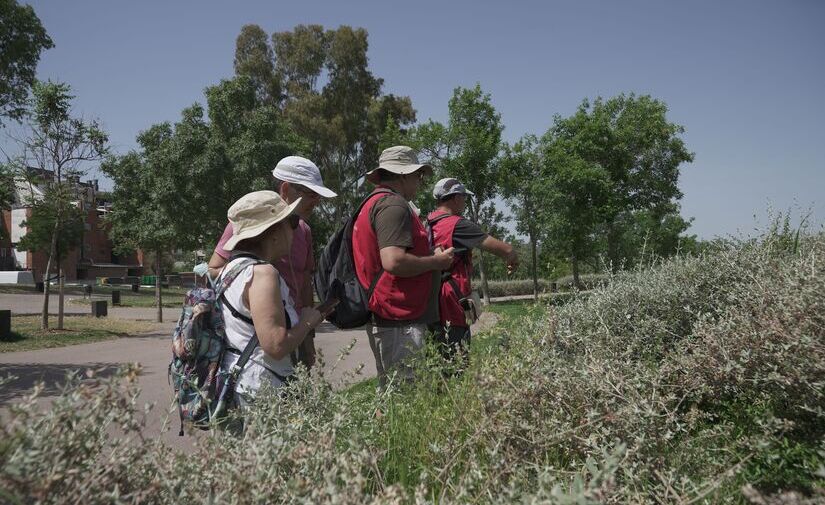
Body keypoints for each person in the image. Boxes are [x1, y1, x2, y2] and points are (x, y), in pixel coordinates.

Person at [208, 156, 336, 369]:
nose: (317, 202)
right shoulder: (247, 224)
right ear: (286, 189)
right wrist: (262, 285)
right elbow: (214, 269)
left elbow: (304, 281)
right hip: (259, 341)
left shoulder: (304, 230)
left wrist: (308, 338)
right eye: (311, 194)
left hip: (296, 332)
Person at [352, 145, 455, 387]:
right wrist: (436, 262)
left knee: (391, 391)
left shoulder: (377, 202)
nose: (419, 182)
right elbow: (393, 260)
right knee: (403, 393)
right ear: (402, 175)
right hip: (397, 318)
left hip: (392, 315)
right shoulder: (393, 205)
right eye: (417, 176)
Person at [217, 191, 327, 408]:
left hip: (235, 384)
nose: (295, 230)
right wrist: (308, 321)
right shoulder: (263, 273)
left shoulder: (229, 270)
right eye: (292, 222)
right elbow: (275, 345)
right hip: (261, 390)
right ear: (273, 232)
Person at [427, 177, 519, 369]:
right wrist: (512, 258)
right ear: (455, 198)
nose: (465, 202)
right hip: (451, 303)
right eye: (463, 197)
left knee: (437, 364)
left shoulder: (428, 222)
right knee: (457, 365)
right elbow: (505, 250)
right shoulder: (458, 224)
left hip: (430, 304)